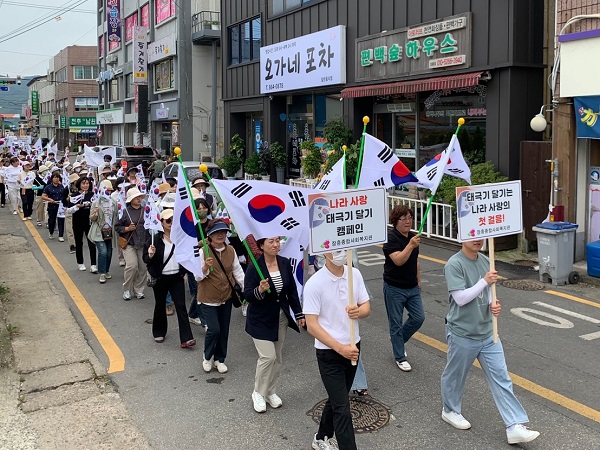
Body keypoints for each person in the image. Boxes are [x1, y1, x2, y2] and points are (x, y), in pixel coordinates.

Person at [441, 239, 540, 444]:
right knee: (455, 376)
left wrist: (493, 304)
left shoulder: (487, 261)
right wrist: (484, 281)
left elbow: (488, 293)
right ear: (461, 236)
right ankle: (449, 410)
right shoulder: (454, 264)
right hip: (462, 332)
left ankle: (514, 425)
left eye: (481, 236)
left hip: (488, 332)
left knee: (501, 378)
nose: (478, 240)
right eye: (473, 235)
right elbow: (460, 298)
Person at [303, 250, 370, 450]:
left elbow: (366, 305)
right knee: (342, 408)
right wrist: (340, 348)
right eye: (337, 249)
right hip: (329, 353)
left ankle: (321, 436)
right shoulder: (315, 283)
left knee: (337, 398)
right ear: (325, 251)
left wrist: (360, 311)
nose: (342, 253)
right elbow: (311, 325)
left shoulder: (354, 274)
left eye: (344, 249)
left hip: (353, 347)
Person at [243, 236, 304, 413]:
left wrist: (298, 313)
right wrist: (259, 290)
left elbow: (291, 290)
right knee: (267, 357)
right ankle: (258, 393)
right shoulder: (255, 267)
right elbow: (247, 295)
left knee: (277, 357)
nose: (276, 244)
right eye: (271, 241)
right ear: (261, 245)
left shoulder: (284, 263)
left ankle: (271, 391)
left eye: (277, 241)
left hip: (280, 317)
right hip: (260, 319)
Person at [196, 219, 245, 374]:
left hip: (227, 296)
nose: (220, 235)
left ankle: (220, 359)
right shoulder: (203, 251)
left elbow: (237, 271)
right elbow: (197, 277)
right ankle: (207, 356)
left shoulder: (231, 250)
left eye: (223, 232)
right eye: (217, 232)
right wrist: (205, 267)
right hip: (208, 297)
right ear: (209, 235)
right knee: (214, 329)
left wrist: (247, 290)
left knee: (224, 330)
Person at [144, 208, 196, 348]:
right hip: (161, 278)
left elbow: (186, 255)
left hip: (176, 277)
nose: (171, 224)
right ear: (161, 223)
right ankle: (158, 331)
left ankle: (187, 338)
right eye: (168, 221)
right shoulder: (154, 240)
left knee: (180, 306)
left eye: (173, 221)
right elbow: (146, 259)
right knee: (160, 304)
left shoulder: (180, 238)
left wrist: (183, 272)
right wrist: (150, 255)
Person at [382, 205, 424, 372]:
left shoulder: (413, 237)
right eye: (403, 218)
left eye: (410, 217)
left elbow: (416, 261)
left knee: (418, 318)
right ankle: (400, 356)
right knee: (396, 323)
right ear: (395, 221)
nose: (408, 221)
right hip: (394, 287)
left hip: (412, 286)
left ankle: (397, 341)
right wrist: (410, 245)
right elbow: (398, 260)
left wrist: (419, 280)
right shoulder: (390, 238)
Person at [115, 187, 148, 301]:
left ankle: (139, 289)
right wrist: (127, 228)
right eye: (136, 197)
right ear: (131, 199)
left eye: (140, 197)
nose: (139, 199)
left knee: (143, 267)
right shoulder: (124, 212)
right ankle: (127, 289)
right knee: (132, 266)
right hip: (129, 243)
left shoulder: (146, 210)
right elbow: (117, 227)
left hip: (143, 242)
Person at [187, 197, 211, 327]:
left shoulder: (212, 223)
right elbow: (188, 246)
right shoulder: (192, 226)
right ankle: (205, 321)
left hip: (210, 259)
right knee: (199, 290)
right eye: (199, 208)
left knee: (202, 289)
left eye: (204, 207)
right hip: (195, 260)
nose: (202, 210)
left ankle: (192, 314)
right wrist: (200, 243)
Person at [89, 180, 117, 284]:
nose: (107, 192)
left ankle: (106, 270)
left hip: (109, 231)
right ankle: (101, 273)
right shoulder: (96, 202)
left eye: (109, 190)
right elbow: (91, 218)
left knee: (109, 252)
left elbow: (117, 215)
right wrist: (95, 213)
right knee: (103, 252)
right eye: (105, 190)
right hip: (98, 231)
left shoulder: (113, 202)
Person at [67, 177, 97, 272]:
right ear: (79, 184)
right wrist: (76, 206)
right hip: (77, 221)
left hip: (89, 221)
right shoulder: (74, 195)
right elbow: (68, 210)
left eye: (87, 183)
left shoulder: (92, 195)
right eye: (83, 183)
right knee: (79, 242)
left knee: (92, 242)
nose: (85, 185)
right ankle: (80, 263)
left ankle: (93, 264)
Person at [41, 173, 67, 240]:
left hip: (60, 206)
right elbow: (43, 196)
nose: (56, 179)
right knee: (52, 220)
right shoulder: (48, 187)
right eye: (55, 177)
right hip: (52, 205)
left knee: (61, 220)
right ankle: (51, 232)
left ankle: (60, 235)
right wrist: (50, 199)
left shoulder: (61, 186)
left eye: (58, 177)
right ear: (52, 179)